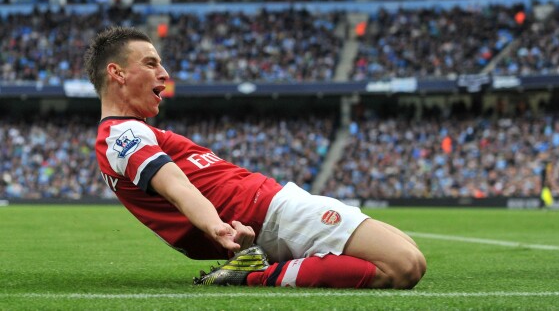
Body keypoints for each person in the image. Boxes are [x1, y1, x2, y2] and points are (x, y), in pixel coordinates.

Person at [84, 26, 426, 289]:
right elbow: (176, 185)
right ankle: (252, 275)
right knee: (404, 265)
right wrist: (216, 227)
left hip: (268, 208)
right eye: (151, 63)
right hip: (267, 213)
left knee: (404, 246)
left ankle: (260, 268)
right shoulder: (121, 135)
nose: (165, 74)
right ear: (117, 73)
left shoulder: (131, 133)